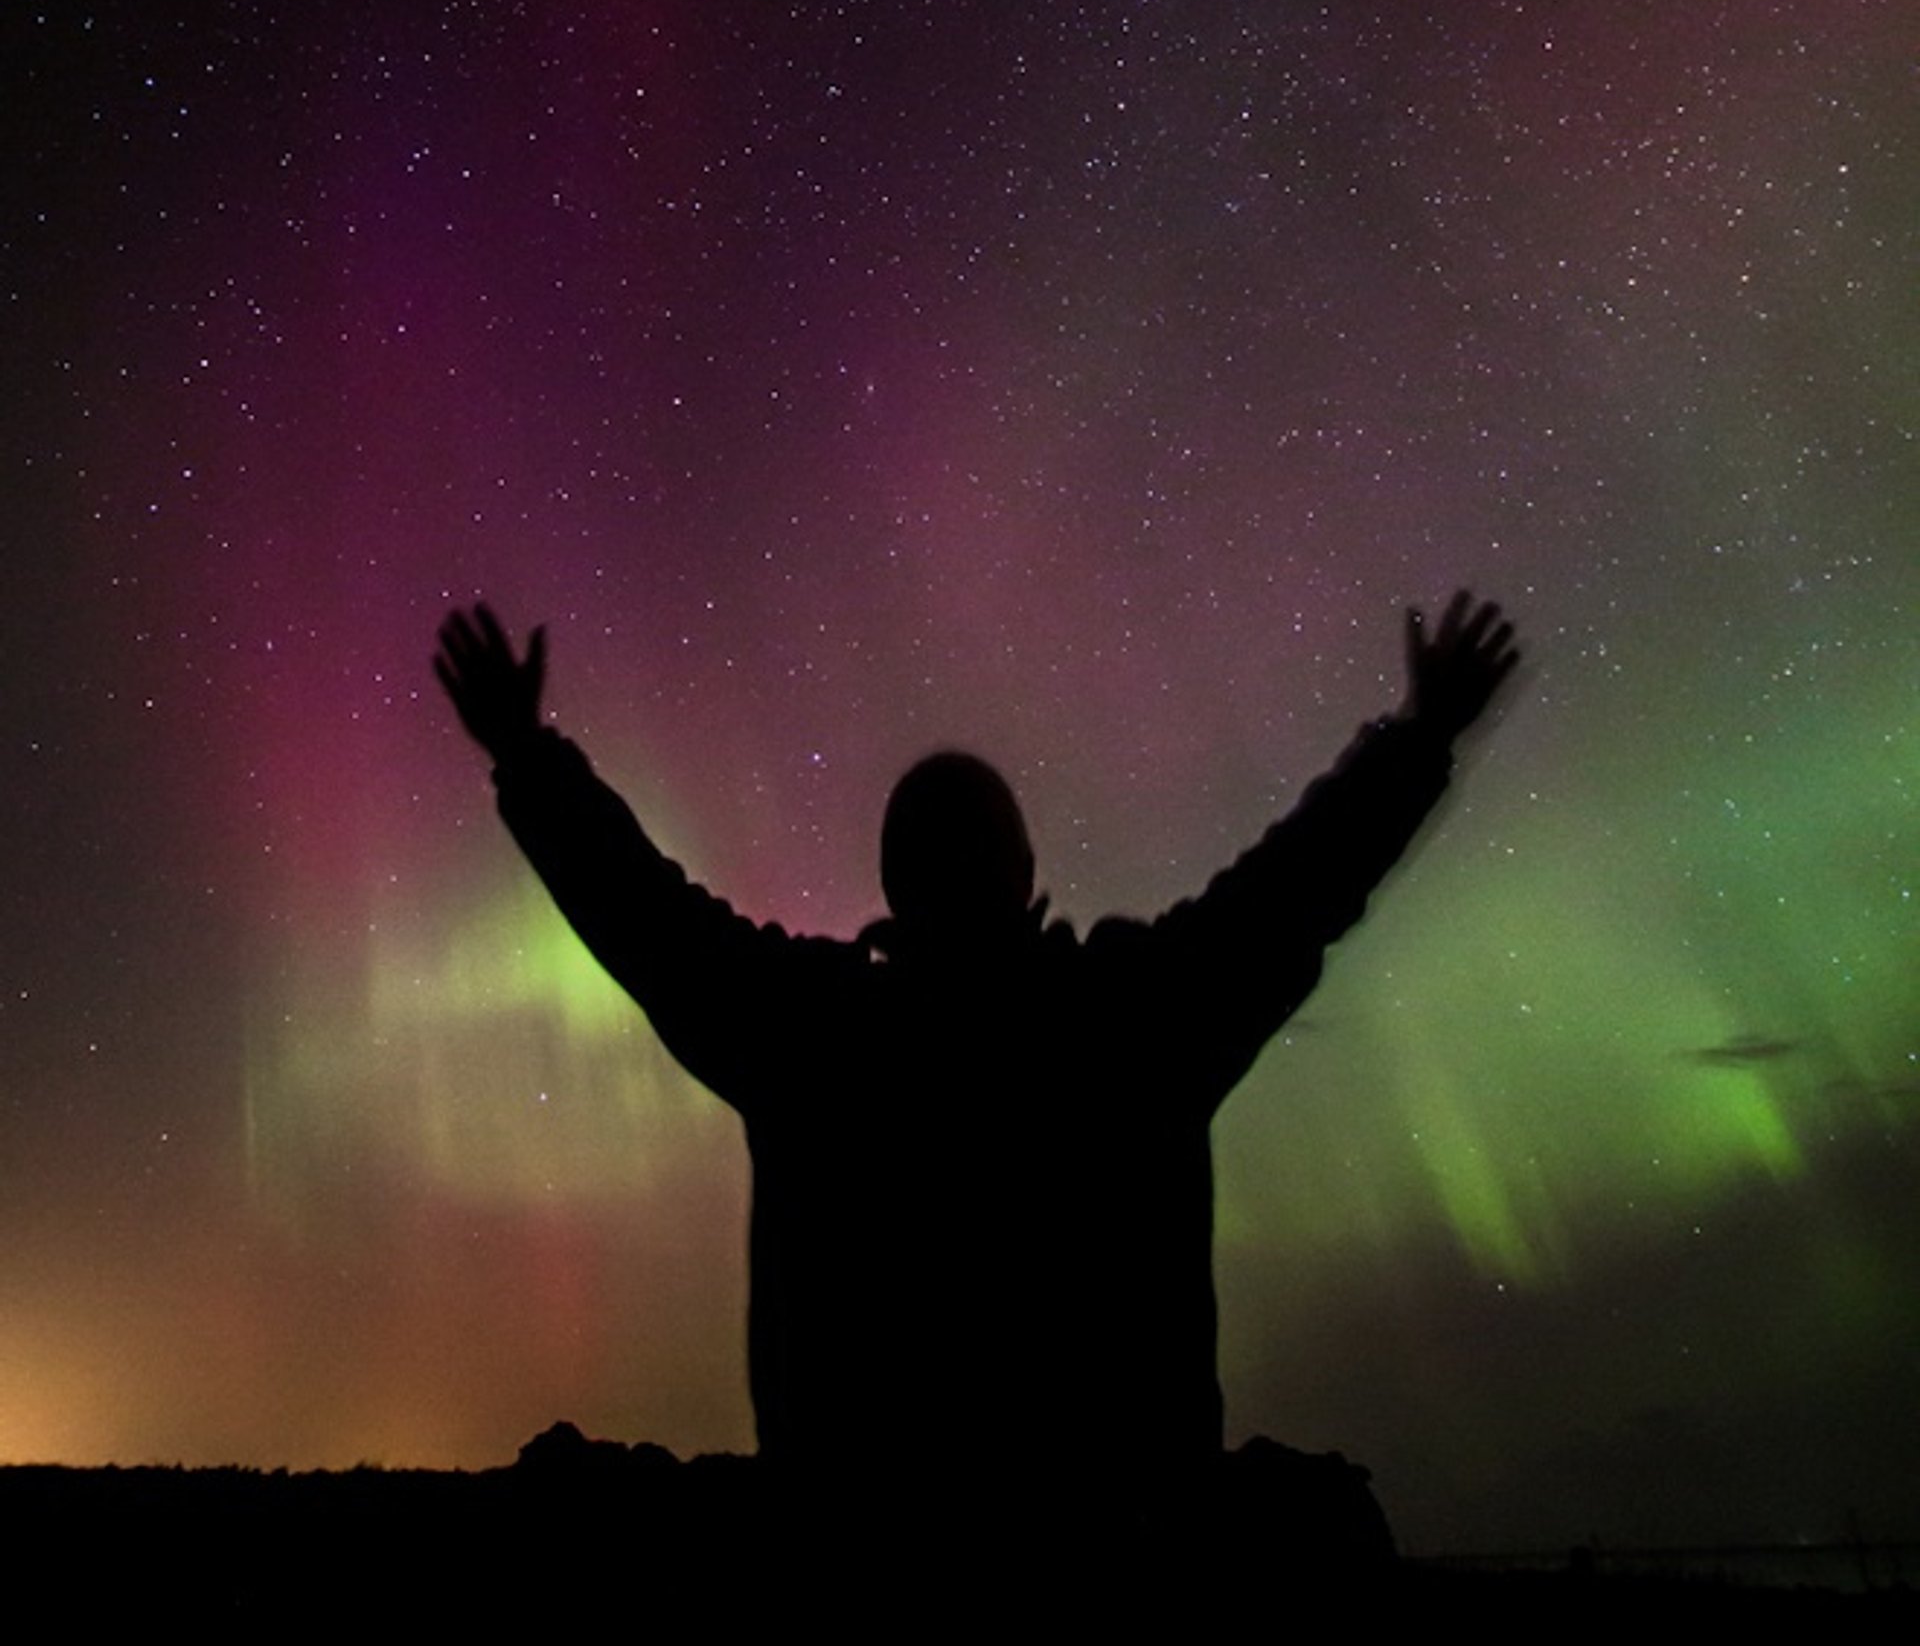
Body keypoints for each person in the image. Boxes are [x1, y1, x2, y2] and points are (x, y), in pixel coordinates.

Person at [434, 592, 1519, 1483]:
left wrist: (528, 757)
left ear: (891, 888)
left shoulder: (814, 1034)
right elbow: (1290, 893)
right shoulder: (1130, 1019)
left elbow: (649, 921)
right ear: (1029, 876)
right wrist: (1417, 740)